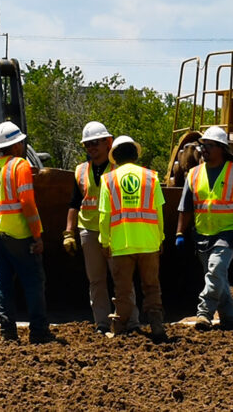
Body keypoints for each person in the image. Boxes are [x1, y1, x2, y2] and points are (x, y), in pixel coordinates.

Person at [175, 125, 233, 331]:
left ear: (221, 148)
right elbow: (185, 208)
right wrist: (179, 232)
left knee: (214, 271)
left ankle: (204, 313)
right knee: (217, 276)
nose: (204, 150)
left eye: (209, 146)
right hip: (202, 235)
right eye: (202, 145)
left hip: (228, 234)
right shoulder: (193, 174)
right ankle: (229, 320)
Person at [0, 121, 53, 344]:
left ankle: (7, 332)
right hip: (20, 234)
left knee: (3, 282)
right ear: (17, 145)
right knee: (33, 281)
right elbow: (27, 203)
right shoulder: (20, 166)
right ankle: (38, 332)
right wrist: (37, 235)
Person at [63, 121, 139, 333]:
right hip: (89, 230)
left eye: (95, 143)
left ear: (108, 143)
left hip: (115, 231)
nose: (91, 148)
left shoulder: (118, 169)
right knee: (96, 281)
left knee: (122, 279)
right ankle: (102, 323)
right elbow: (74, 203)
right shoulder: (80, 171)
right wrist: (69, 232)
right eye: (87, 145)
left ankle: (130, 322)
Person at [98, 135, 167, 342]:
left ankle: (118, 328)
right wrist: (160, 238)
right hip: (149, 243)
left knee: (123, 291)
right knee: (152, 287)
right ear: (136, 155)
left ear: (115, 157)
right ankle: (157, 326)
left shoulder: (108, 180)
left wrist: (104, 242)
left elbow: (104, 215)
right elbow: (159, 211)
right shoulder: (151, 177)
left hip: (121, 244)